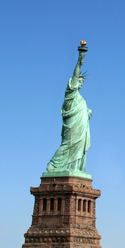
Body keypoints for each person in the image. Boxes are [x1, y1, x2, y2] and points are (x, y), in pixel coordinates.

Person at [46, 43, 92, 174]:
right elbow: (76, 74)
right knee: (68, 144)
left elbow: (81, 110)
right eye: (79, 81)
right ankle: (54, 164)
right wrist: (80, 58)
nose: (80, 83)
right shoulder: (70, 93)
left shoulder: (80, 98)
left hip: (81, 126)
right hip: (73, 126)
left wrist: (87, 112)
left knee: (77, 146)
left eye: (82, 82)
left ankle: (74, 168)